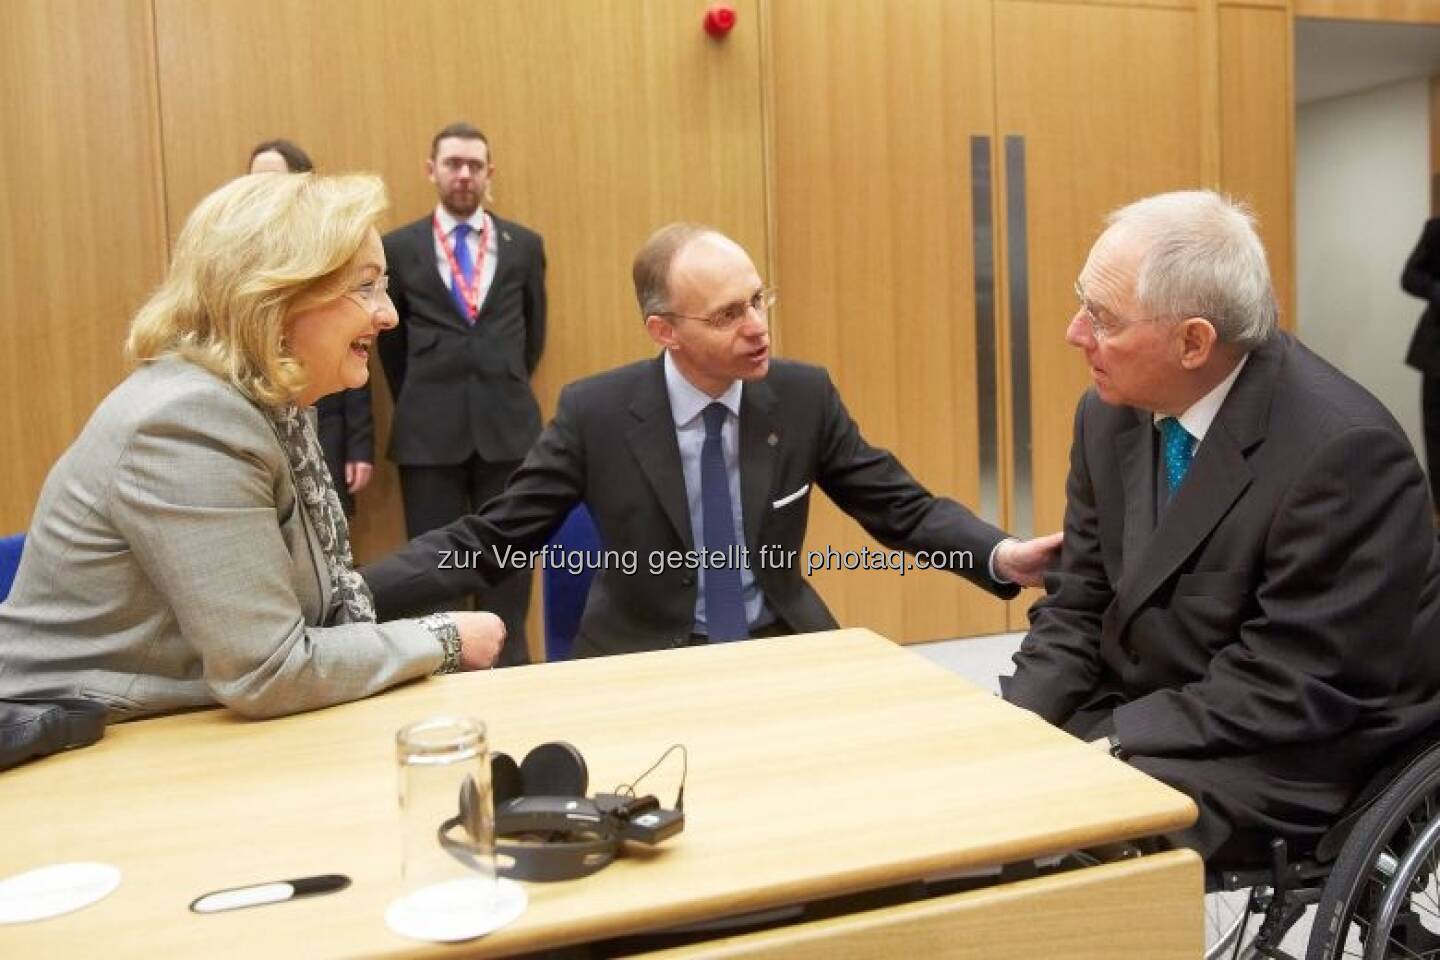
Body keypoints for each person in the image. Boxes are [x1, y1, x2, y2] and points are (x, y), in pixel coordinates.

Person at [363, 222, 1061, 658]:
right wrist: (352, 597)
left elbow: (899, 508)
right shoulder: (596, 413)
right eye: (728, 314)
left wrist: (1000, 553)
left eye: (758, 300)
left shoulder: (801, 393)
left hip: (780, 643)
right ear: (664, 331)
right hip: (645, 655)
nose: (757, 326)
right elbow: (492, 539)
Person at [1005, 190, 1440, 861]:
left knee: (1075, 827)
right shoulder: (1108, 413)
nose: (1075, 333)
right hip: (1171, 695)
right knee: (983, 793)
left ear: (1193, 342)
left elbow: (1295, 678)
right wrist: (1012, 725)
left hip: (1301, 742)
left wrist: (1115, 739)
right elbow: (1080, 600)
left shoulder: (1344, 452)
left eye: (1103, 318)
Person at [0, 173, 506, 721]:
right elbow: (269, 671)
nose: (388, 315)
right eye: (366, 287)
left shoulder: (261, 408)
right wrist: (443, 637)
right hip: (69, 759)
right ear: (276, 296)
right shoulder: (187, 422)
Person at [378, 121, 546, 666]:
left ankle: (512, 675)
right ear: (432, 170)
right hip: (429, 436)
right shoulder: (397, 248)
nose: (464, 174)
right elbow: (390, 348)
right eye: (453, 163)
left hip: (508, 433)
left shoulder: (524, 245)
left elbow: (533, 336)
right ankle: (444, 676)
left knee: (510, 574)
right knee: (435, 575)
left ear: (489, 172)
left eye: (475, 164)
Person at [249, 139, 376, 517]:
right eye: (255, 183)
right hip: (256, 424)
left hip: (324, 423)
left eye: (276, 181)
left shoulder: (329, 254)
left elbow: (356, 345)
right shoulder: (236, 265)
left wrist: (359, 443)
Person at [1402, 214, 1440, 509]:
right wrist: (1437, 291)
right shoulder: (1436, 228)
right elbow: (1410, 277)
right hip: (1436, 354)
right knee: (1436, 435)